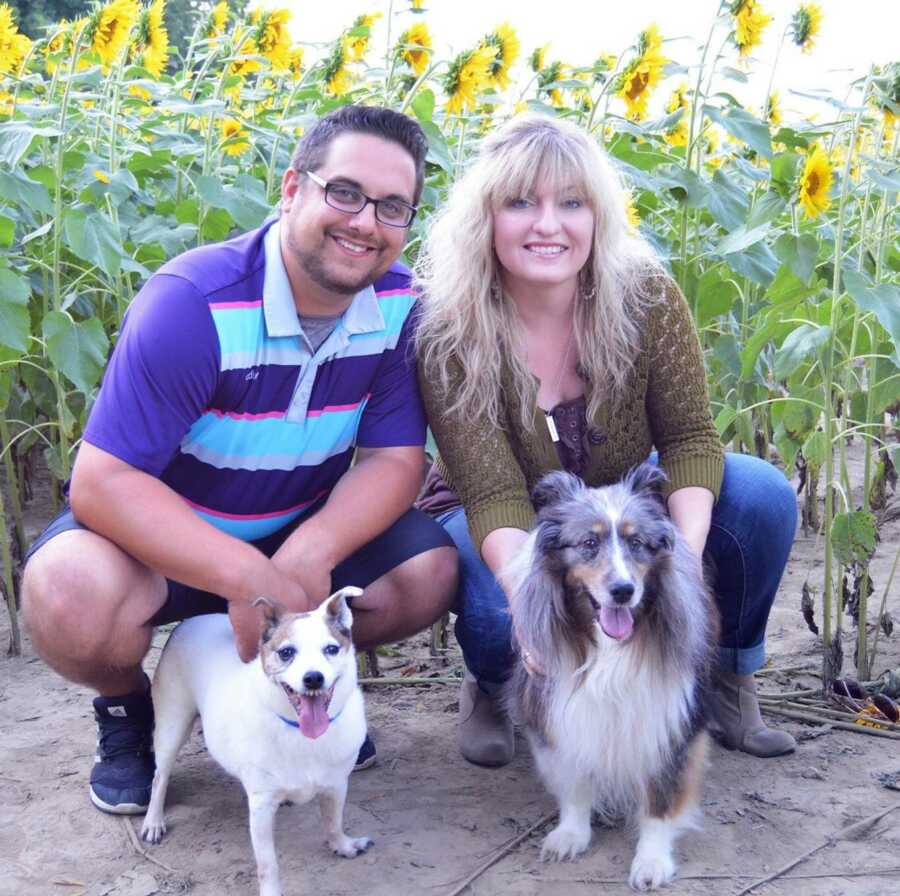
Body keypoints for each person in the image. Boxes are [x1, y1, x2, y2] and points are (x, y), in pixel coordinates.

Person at [21, 105, 458, 814]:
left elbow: (393, 460)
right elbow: (103, 483)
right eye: (343, 192)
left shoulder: (401, 306)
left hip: (293, 531)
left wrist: (311, 552)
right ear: (292, 188)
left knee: (426, 571)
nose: (363, 222)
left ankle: (303, 704)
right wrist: (248, 577)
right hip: (159, 544)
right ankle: (130, 713)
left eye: (392, 206)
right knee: (69, 595)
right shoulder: (195, 303)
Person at [414, 114, 797, 767]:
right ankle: (494, 683)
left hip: (619, 502)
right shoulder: (451, 326)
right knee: (494, 598)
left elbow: (689, 439)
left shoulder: (645, 295)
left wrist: (676, 564)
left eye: (572, 203)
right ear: (486, 219)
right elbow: (494, 493)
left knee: (759, 496)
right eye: (520, 203)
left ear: (599, 216)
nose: (548, 224)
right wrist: (528, 609)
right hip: (493, 514)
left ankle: (727, 674)